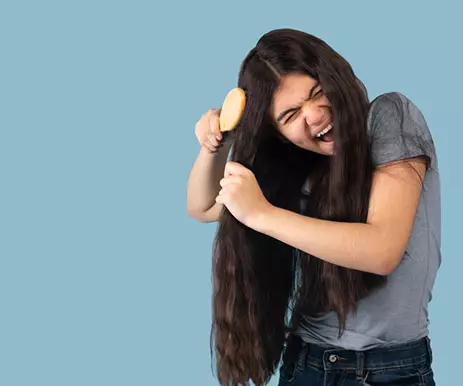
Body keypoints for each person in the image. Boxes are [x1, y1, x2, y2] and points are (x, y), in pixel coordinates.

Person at [186, 29, 441, 386]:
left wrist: (262, 214)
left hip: (393, 371)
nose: (316, 116)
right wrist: (214, 147)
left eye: (318, 93)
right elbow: (203, 207)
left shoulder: (388, 117)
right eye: (290, 115)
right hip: (308, 365)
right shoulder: (294, 163)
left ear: (335, 76)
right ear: (277, 132)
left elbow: (382, 250)